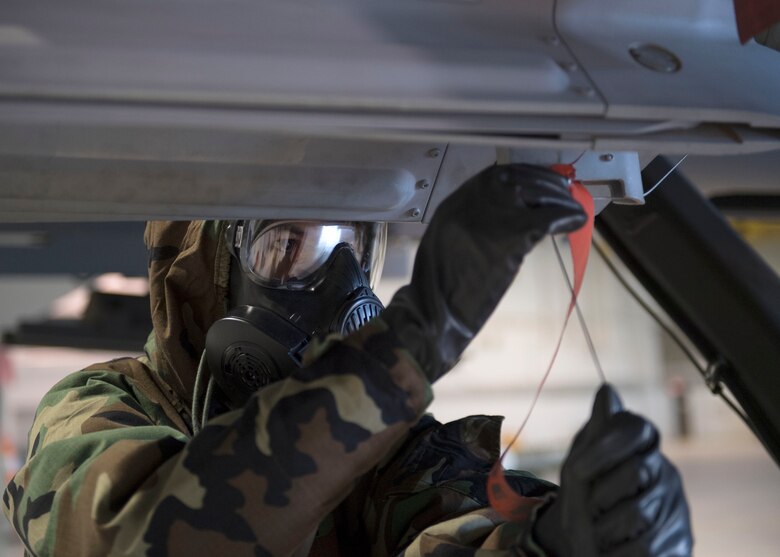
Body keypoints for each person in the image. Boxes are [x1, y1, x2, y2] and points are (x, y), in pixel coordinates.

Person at [2, 164, 692, 556]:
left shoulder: (384, 454)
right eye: (292, 245)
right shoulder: (100, 410)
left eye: (354, 247)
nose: (343, 287)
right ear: (206, 275)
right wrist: (408, 347)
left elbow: (456, 529)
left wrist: (558, 541)